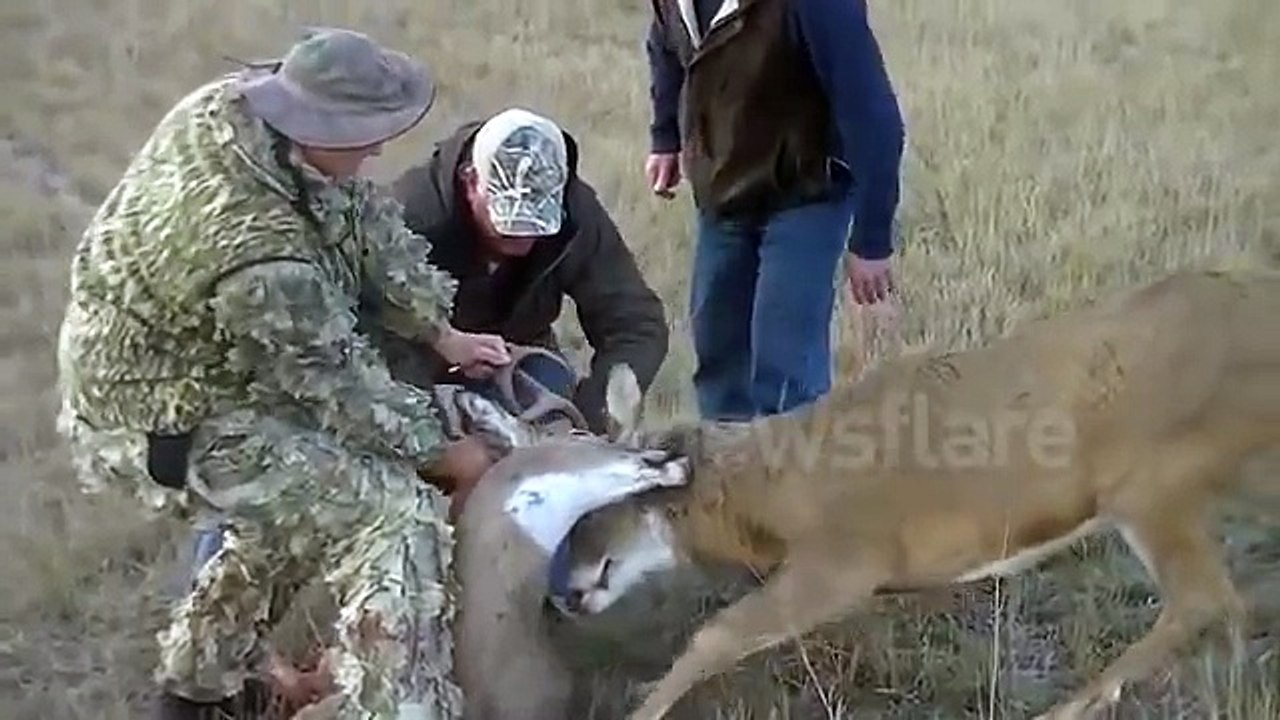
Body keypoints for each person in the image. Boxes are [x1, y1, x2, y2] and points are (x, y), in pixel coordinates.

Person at [54, 27, 502, 720]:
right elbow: (337, 383)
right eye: (366, 133)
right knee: (393, 511)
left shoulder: (254, 117)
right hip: (159, 415)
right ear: (313, 123)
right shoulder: (257, 251)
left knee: (290, 513)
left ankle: (197, 692)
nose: (380, 148)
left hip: (211, 370)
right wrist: (447, 455)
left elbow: (360, 219)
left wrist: (441, 333)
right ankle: (399, 705)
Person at [644, 0, 906, 421]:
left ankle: (797, 481)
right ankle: (729, 478)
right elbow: (666, 43)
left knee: (785, 373)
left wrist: (872, 240)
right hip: (724, 190)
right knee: (719, 357)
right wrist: (665, 138)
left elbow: (874, 117)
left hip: (805, 191)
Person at [382, 107, 670, 434]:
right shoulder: (406, 219)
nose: (524, 235)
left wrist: (595, 419)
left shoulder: (575, 212)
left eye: (537, 223)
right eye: (509, 224)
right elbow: (369, 338)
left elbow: (634, 321)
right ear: (471, 180)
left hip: (525, 359)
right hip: (417, 367)